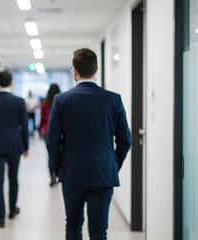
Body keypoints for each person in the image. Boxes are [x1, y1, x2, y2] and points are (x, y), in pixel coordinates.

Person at [47, 49, 131, 240]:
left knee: (73, 224)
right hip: (103, 174)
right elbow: (125, 139)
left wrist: (60, 168)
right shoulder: (113, 99)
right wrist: (113, 164)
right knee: (99, 230)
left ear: (74, 71)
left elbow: (52, 141)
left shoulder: (61, 100)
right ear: (97, 69)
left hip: (72, 174)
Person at [0, 70, 29, 228]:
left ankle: (1, 218)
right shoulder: (19, 101)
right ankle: (12, 210)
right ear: (11, 82)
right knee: (13, 178)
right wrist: (26, 146)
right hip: (15, 145)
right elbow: (24, 127)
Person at [38, 83, 61, 187]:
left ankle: (52, 176)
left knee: (50, 154)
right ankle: (58, 174)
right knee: (60, 152)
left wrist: (39, 131)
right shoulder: (61, 101)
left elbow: (42, 119)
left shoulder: (44, 103)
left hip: (48, 131)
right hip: (60, 131)